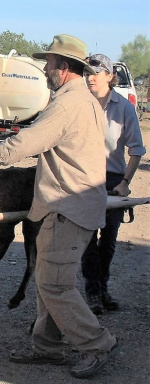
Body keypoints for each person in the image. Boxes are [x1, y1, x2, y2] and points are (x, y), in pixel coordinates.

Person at [0, 34, 119, 379]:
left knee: (56, 286)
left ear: (63, 67)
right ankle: (48, 348)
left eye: (48, 64)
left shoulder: (67, 105)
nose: (45, 70)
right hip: (66, 206)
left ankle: (98, 343)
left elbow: (26, 143)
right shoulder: (85, 100)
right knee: (49, 279)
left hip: (68, 207)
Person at [81, 54, 146, 315]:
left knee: (108, 239)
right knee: (87, 239)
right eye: (87, 72)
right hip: (83, 181)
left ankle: (103, 287)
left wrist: (124, 183)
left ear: (110, 76)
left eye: (97, 72)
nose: (91, 77)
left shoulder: (124, 108)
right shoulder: (79, 104)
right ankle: (93, 292)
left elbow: (137, 150)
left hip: (112, 182)